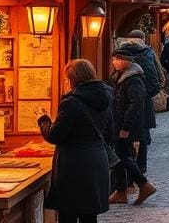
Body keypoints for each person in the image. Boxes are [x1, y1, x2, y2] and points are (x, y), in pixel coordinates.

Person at [37, 59, 113, 223]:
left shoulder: (71, 103)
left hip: (73, 166)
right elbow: (110, 133)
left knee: (68, 214)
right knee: (89, 215)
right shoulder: (105, 98)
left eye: (67, 79)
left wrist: (43, 120)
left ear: (73, 80)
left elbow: (55, 135)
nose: (65, 82)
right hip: (97, 161)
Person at [109, 47, 157, 205]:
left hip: (126, 126)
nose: (115, 62)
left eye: (119, 59)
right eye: (114, 59)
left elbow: (135, 105)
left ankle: (143, 184)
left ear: (128, 61)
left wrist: (125, 128)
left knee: (122, 156)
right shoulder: (120, 76)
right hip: (119, 124)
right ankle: (121, 190)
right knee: (119, 157)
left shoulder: (134, 79)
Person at [122, 29, 159, 173]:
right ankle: (141, 166)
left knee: (126, 134)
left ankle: (131, 165)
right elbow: (156, 78)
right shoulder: (148, 53)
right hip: (145, 101)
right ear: (143, 39)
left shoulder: (120, 54)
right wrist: (147, 94)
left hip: (125, 103)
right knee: (142, 135)